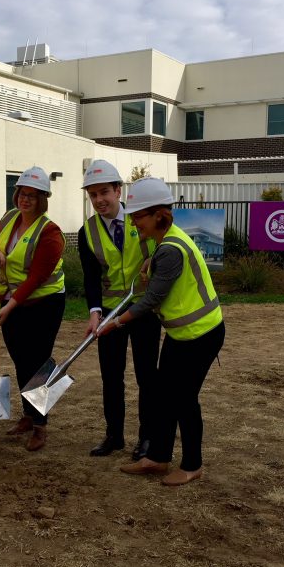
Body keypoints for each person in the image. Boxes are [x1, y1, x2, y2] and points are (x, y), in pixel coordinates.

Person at [98, 177, 225, 486]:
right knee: (163, 397)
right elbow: (159, 268)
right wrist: (148, 262)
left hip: (202, 334)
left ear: (158, 215)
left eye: (139, 216)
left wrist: (114, 322)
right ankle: (157, 458)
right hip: (182, 335)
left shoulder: (170, 249)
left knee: (184, 399)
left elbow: (150, 300)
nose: (134, 221)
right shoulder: (163, 242)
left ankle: (192, 464)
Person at [78, 160, 161, 459]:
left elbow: (163, 251)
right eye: (93, 195)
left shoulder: (143, 219)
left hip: (144, 310)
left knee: (146, 377)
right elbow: (90, 278)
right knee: (111, 378)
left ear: (118, 190)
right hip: (111, 315)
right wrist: (94, 312)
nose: (99, 200)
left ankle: (147, 439)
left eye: (104, 192)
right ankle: (114, 436)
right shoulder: (87, 231)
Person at [0, 166, 65, 452]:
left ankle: (41, 425)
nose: (25, 200)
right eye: (21, 193)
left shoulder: (50, 232)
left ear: (42, 199)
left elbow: (37, 277)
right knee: (20, 359)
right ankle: (29, 415)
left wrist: (11, 306)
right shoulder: (9, 219)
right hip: (12, 299)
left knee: (38, 362)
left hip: (44, 302)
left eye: (32, 195)